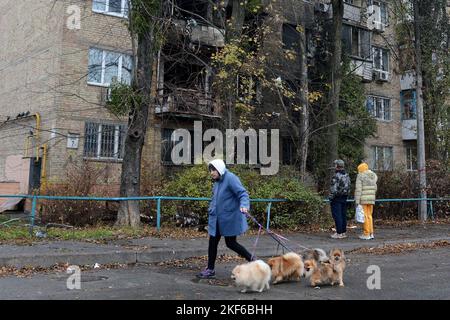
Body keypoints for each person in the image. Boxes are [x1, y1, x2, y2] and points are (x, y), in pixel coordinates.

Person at [197, 159, 254, 279]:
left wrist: (244, 205)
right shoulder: (217, 181)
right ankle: (210, 269)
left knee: (231, 243)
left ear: (220, 169)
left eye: (214, 170)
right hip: (216, 219)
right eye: (210, 170)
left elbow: (243, 194)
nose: (211, 173)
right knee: (212, 242)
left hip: (229, 219)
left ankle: (253, 260)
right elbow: (216, 199)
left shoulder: (231, 178)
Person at [354, 162, 378, 240]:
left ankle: (366, 234)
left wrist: (357, 201)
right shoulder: (373, 176)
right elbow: (375, 188)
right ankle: (371, 233)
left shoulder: (360, 176)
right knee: (369, 216)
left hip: (363, 199)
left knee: (365, 216)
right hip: (371, 199)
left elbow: (358, 189)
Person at [329, 159, 351, 239]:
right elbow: (349, 186)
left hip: (336, 198)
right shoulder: (347, 175)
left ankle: (339, 233)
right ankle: (343, 232)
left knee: (337, 215)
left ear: (337, 166)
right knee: (343, 215)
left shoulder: (336, 175)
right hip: (344, 197)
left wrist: (331, 197)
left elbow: (333, 189)